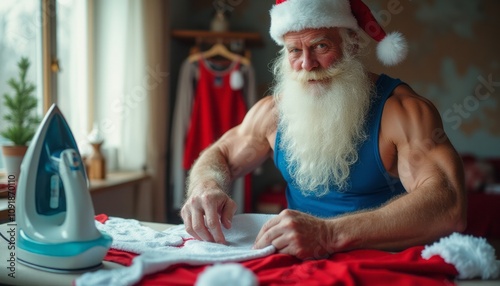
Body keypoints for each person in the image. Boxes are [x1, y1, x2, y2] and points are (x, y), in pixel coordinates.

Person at [180, 0, 467, 260]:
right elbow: (221, 153)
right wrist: (206, 187)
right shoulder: (274, 113)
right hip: (298, 268)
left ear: (351, 44)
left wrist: (328, 235)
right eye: (295, 50)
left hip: (379, 269)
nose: (307, 64)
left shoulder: (400, 111)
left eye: (320, 46)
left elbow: (448, 204)